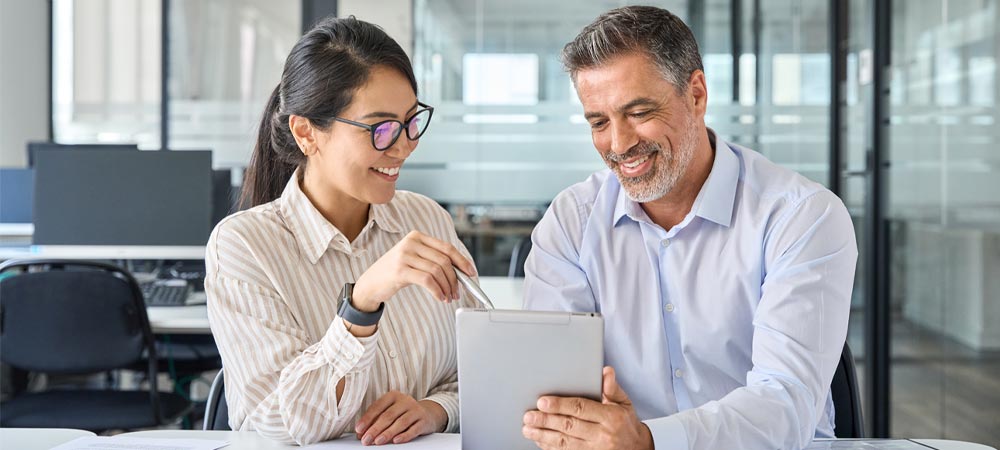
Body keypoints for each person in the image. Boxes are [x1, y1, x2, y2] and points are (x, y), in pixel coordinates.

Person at [520, 6, 858, 450]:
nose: (619, 144)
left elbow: (785, 405)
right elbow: (549, 394)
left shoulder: (801, 217)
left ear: (696, 94)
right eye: (599, 122)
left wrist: (648, 439)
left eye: (639, 112)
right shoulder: (572, 221)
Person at [204, 16, 478, 446]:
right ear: (306, 133)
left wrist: (437, 410)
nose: (405, 145)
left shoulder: (426, 220)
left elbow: (489, 370)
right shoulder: (243, 246)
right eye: (381, 128)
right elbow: (281, 422)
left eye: (411, 121)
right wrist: (362, 303)